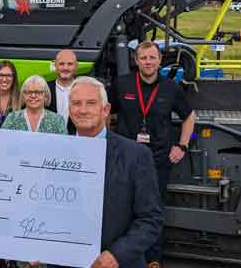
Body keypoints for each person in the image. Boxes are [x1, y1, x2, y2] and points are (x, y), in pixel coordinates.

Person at [48, 76, 162, 268]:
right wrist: (33, 244)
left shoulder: (136, 156)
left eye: (91, 103)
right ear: (69, 109)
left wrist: (117, 255)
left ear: (105, 109)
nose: (83, 110)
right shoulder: (53, 154)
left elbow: (151, 218)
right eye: (76, 103)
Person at [111, 41, 195, 268]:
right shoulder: (123, 84)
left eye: (152, 58)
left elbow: (189, 116)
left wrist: (182, 146)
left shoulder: (171, 88)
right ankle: (121, 256)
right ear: (136, 61)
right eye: (143, 58)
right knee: (122, 207)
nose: (148, 62)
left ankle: (153, 260)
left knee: (152, 211)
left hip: (157, 161)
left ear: (159, 61)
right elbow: (106, 112)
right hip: (125, 159)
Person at [1, 75, 67, 134]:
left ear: (46, 96)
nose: (33, 96)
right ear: (23, 96)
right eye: (29, 92)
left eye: (38, 92)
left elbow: (64, 145)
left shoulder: (57, 121)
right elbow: (3, 142)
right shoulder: (12, 118)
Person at [46, 49, 78, 133]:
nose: (65, 68)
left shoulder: (83, 89)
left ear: (76, 66)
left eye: (70, 64)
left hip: (76, 141)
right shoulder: (45, 89)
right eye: (61, 64)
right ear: (55, 66)